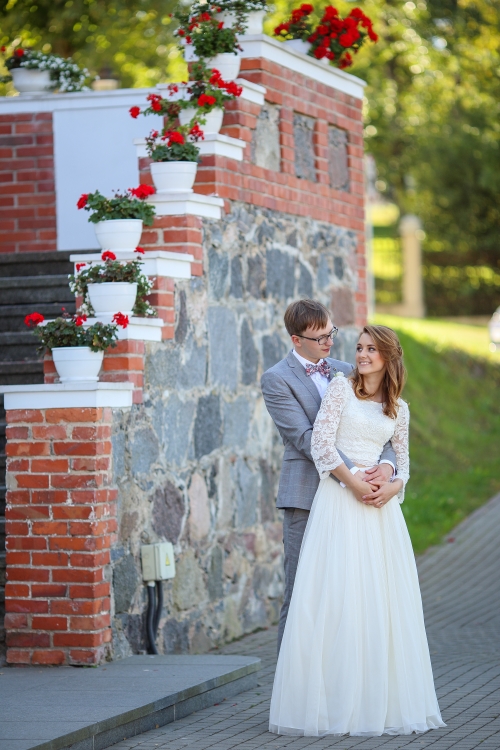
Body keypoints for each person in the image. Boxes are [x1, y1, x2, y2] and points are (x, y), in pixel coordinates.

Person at [269, 324, 446, 737]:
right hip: (340, 502)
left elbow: (403, 462)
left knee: (379, 602)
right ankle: (328, 705)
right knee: (335, 597)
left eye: (371, 349)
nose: (362, 355)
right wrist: (355, 484)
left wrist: (390, 483)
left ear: (388, 357)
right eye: (360, 347)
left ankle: (379, 704)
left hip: (380, 513)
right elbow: (321, 445)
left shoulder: (399, 408)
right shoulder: (339, 388)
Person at [261, 299, 398, 653]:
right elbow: (306, 439)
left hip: (356, 499)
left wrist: (385, 467)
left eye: (331, 333)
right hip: (306, 496)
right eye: (319, 337)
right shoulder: (276, 379)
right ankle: (291, 695)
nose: (328, 343)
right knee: (302, 591)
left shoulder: (345, 369)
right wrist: (354, 473)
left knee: (349, 592)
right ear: (296, 340)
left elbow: (385, 425)